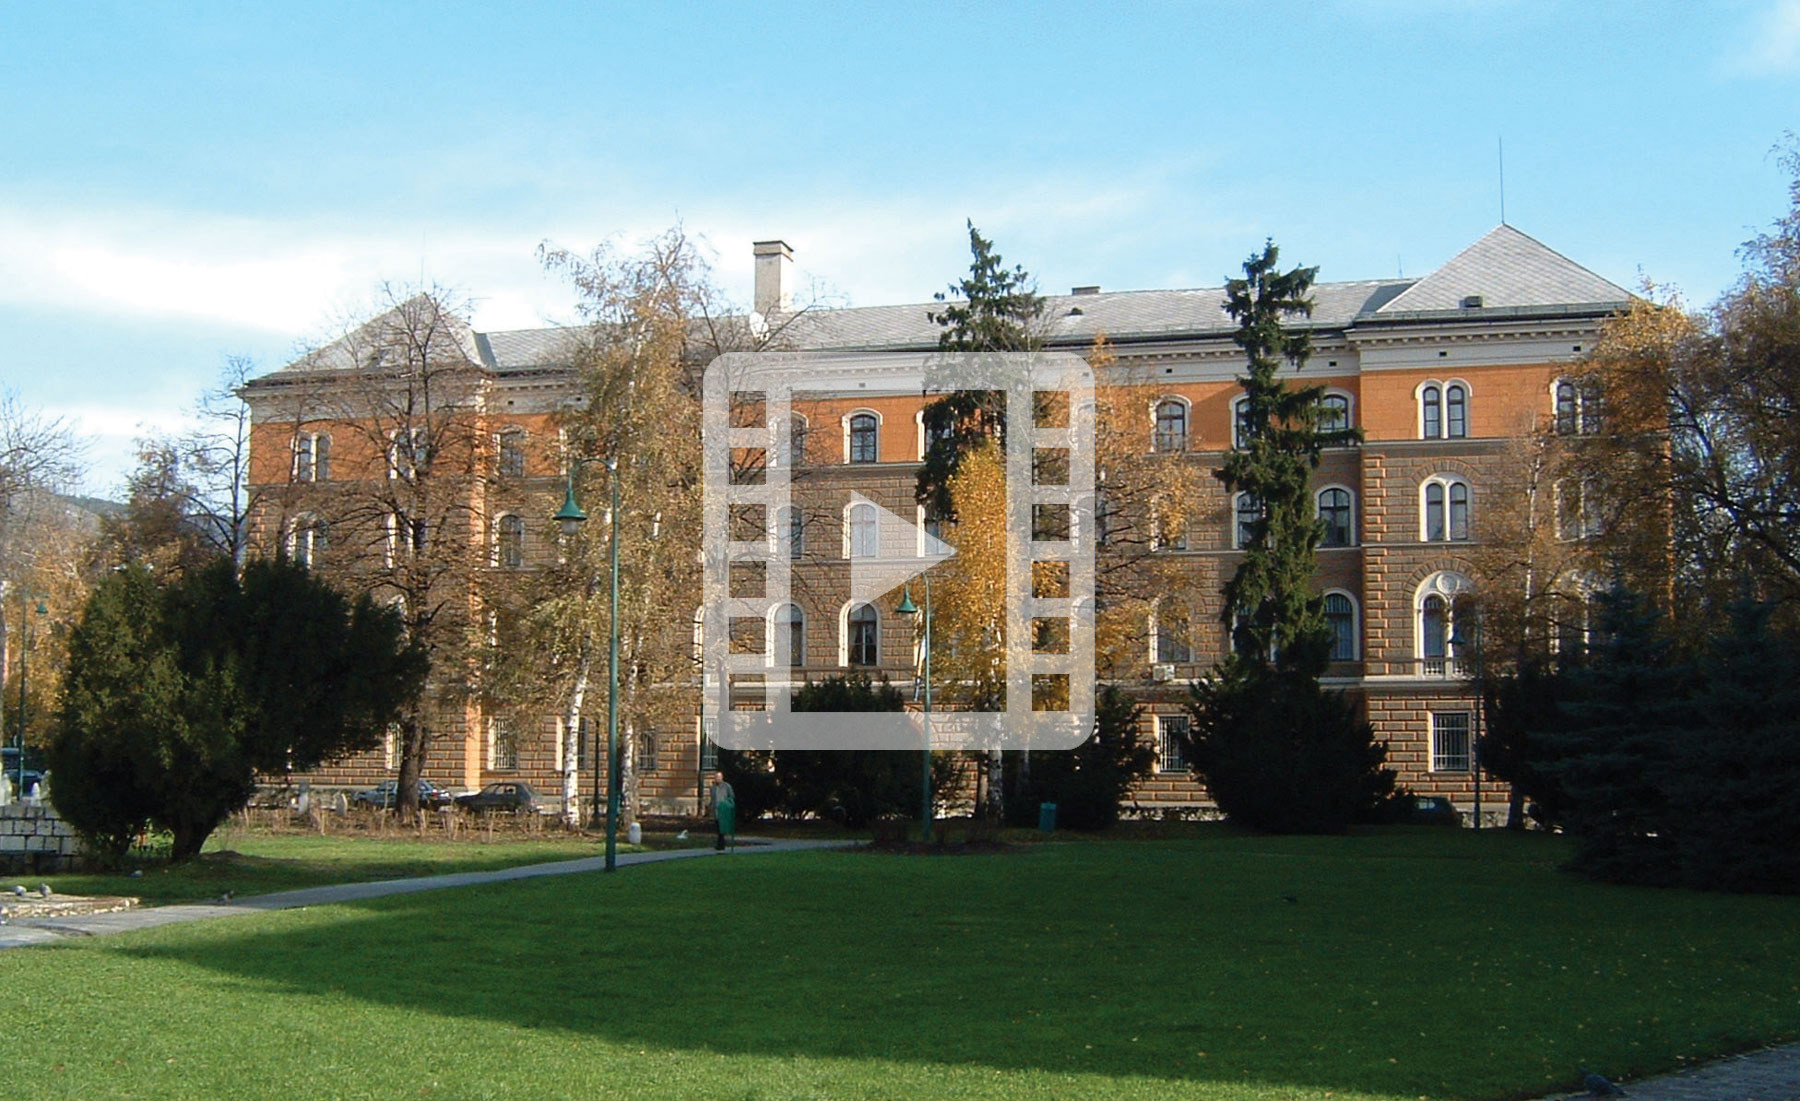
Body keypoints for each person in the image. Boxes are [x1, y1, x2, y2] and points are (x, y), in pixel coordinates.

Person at [710, 769, 736, 851]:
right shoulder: (713, 788)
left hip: (724, 809)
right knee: (718, 827)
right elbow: (712, 799)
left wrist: (727, 804)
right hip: (716, 810)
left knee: (722, 827)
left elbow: (731, 796)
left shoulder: (727, 786)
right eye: (716, 777)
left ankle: (721, 845)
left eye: (718, 777)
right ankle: (720, 844)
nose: (717, 778)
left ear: (722, 777)